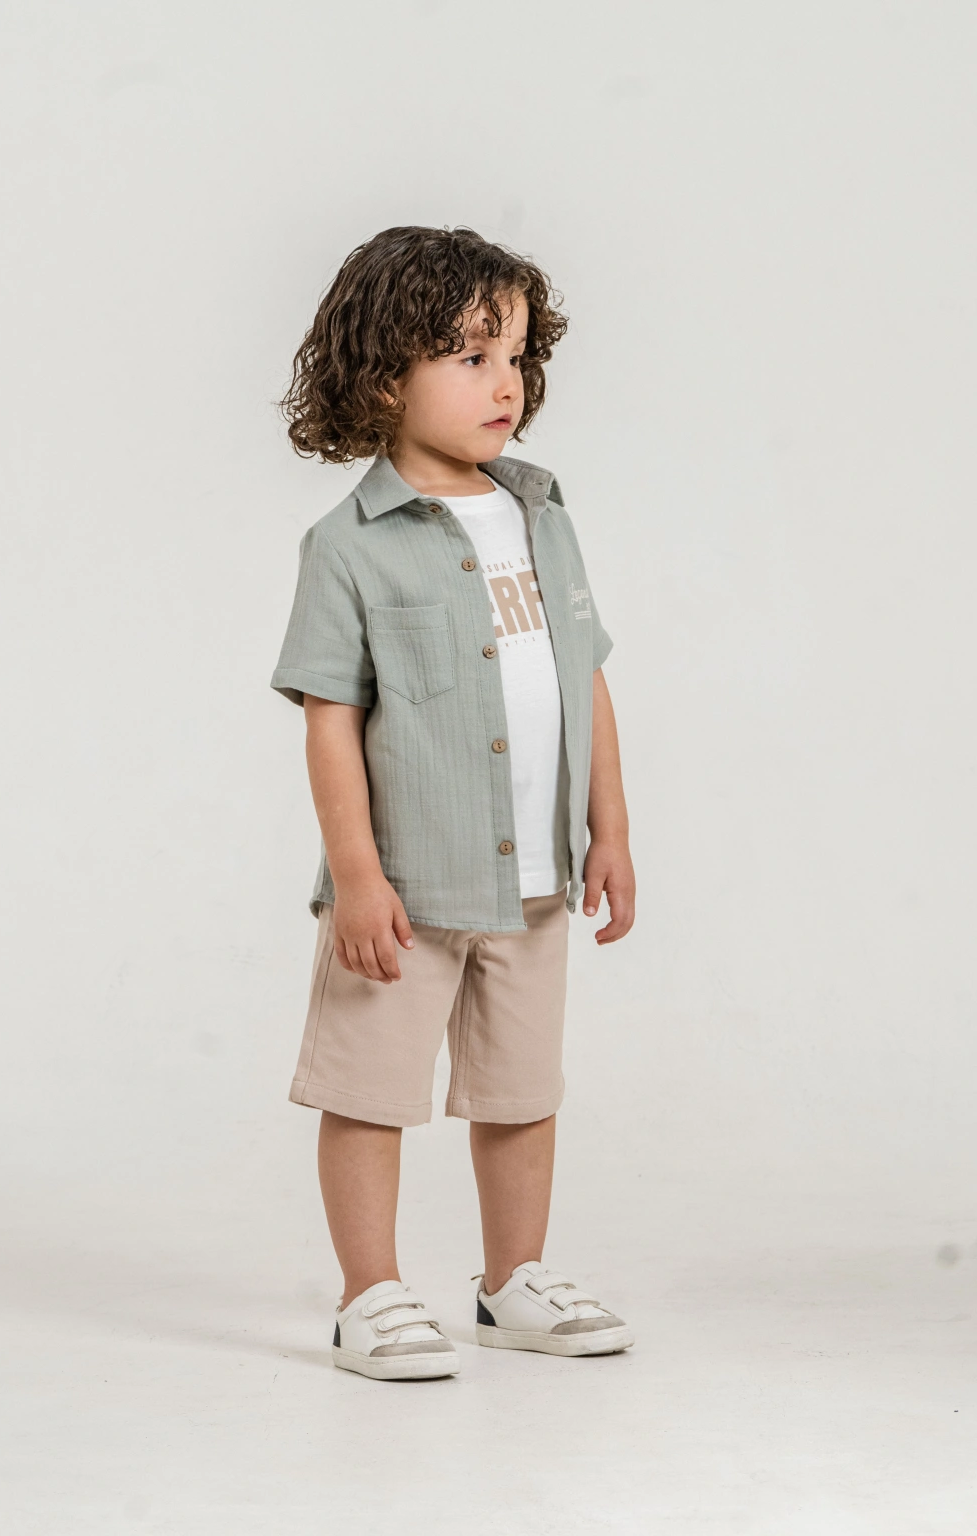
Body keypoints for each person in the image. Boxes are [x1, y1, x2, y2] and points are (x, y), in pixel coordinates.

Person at [271, 225, 636, 1381]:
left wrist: (611, 829)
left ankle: (510, 1279)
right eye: (472, 357)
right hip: (406, 888)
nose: (505, 383)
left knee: (521, 1089)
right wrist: (357, 878)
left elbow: (583, 676)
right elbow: (330, 719)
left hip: (533, 877)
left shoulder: (542, 515)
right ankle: (368, 1295)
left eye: (515, 356)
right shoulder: (349, 548)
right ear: (387, 376)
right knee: (368, 1090)